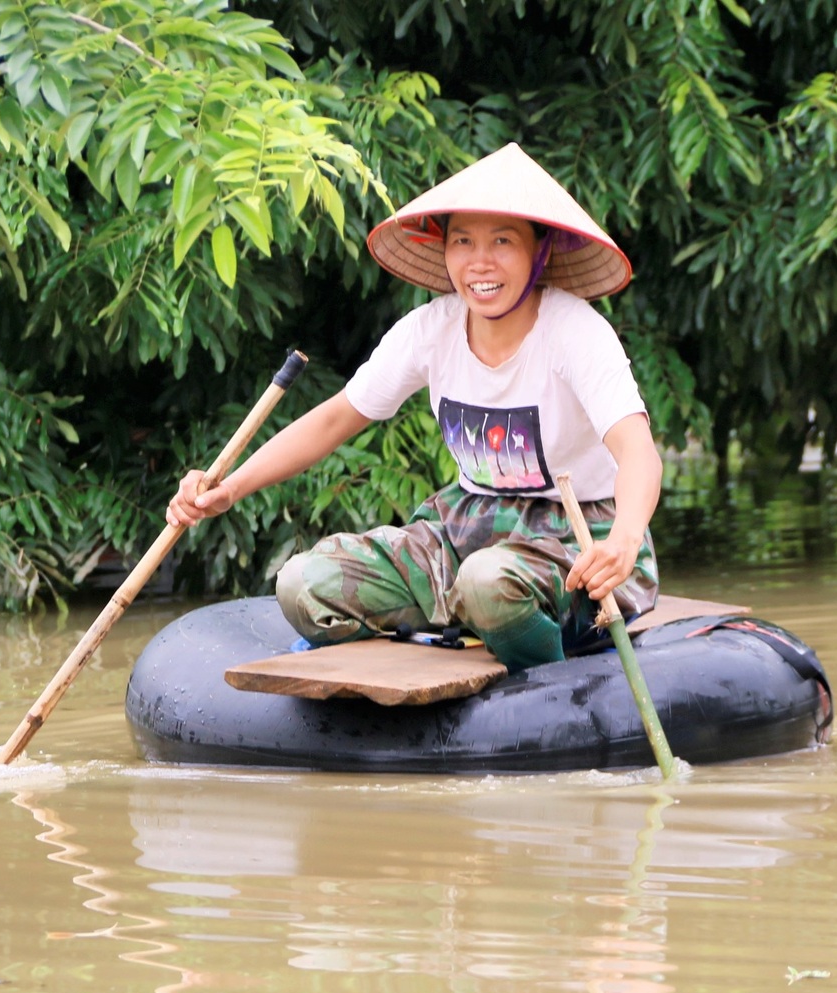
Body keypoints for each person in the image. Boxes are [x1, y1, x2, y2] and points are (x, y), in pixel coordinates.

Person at [166, 142, 662, 672]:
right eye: (463, 241)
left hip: (574, 538)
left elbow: (637, 452)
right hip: (466, 531)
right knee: (302, 586)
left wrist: (626, 540)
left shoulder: (575, 332)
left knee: (487, 584)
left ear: (539, 251)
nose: (480, 262)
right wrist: (230, 488)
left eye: (503, 241)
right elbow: (336, 418)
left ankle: (542, 669)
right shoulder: (431, 330)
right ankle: (465, 622)